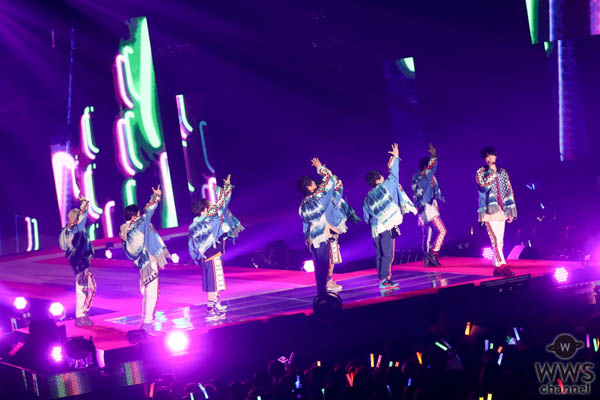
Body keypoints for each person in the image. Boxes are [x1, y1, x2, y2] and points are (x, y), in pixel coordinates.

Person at [188, 174, 243, 321]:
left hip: (206, 258)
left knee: (216, 282)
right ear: (204, 211)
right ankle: (210, 310)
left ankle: (215, 305)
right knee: (213, 285)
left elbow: (191, 246)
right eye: (209, 206)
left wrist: (197, 258)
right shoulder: (209, 219)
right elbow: (223, 204)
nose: (212, 207)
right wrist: (226, 188)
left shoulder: (193, 226)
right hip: (211, 256)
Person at [363, 144, 416, 289]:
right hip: (386, 226)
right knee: (388, 254)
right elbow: (394, 174)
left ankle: (382, 278)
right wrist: (396, 156)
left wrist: (375, 221)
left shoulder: (367, 197)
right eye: (381, 176)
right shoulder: (387, 186)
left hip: (375, 228)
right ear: (378, 180)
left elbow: (366, 217)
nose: (383, 177)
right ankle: (385, 280)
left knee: (380, 254)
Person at [119, 185, 171, 335]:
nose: (141, 215)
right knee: (152, 293)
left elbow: (129, 252)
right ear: (134, 216)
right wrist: (156, 196)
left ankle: (146, 319)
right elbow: (149, 211)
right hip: (149, 261)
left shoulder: (126, 231)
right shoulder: (139, 224)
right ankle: (147, 323)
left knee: (148, 292)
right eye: (139, 213)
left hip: (142, 264)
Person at [297, 158, 338, 296]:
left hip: (312, 238)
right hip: (321, 237)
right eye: (313, 183)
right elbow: (330, 181)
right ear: (309, 187)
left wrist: (306, 238)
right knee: (323, 266)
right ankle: (322, 293)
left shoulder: (302, 205)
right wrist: (320, 167)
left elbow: (305, 224)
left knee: (319, 267)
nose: (315, 183)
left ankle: (321, 292)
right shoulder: (318, 199)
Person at [476, 146, 517, 277]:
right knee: (495, 240)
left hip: (502, 211)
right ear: (484, 158)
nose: (490, 158)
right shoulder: (481, 172)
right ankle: (504, 266)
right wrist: (492, 172)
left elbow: (509, 191)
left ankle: (497, 267)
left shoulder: (503, 172)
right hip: (488, 212)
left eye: (492, 155)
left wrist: (510, 211)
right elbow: (483, 187)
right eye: (487, 156)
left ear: (496, 156)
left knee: (500, 241)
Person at [59, 196, 96, 327]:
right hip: (80, 261)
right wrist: (84, 202)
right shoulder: (77, 228)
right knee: (84, 288)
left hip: (76, 260)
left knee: (87, 288)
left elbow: (63, 246)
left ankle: (82, 314)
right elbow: (84, 214)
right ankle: (81, 316)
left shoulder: (66, 230)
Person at [321, 175, 360, 292]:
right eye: (335, 182)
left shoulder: (334, 198)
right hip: (327, 232)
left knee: (333, 257)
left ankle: (329, 279)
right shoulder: (325, 198)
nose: (337, 184)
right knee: (330, 258)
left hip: (333, 232)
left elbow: (340, 192)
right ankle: (327, 281)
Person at [411, 143, 446, 266]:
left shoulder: (418, 176)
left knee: (428, 234)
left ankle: (427, 260)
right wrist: (433, 156)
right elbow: (432, 169)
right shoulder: (423, 176)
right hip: (427, 207)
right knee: (442, 230)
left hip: (424, 207)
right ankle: (434, 254)